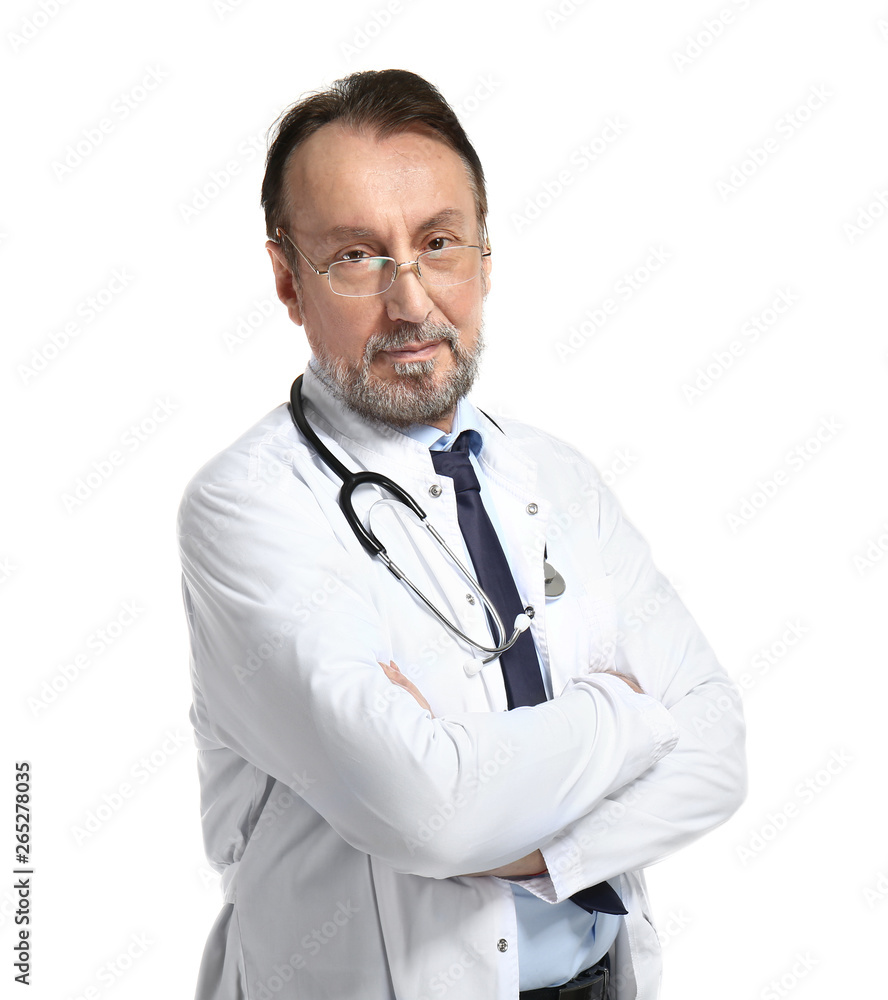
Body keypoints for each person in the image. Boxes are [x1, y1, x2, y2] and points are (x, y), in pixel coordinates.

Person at [178, 69, 746, 1000]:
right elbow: (432, 813)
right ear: (288, 279)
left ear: (484, 254)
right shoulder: (246, 508)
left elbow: (718, 751)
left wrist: (538, 851)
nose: (411, 303)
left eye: (438, 243)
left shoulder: (561, 476)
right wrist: (630, 715)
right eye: (357, 256)